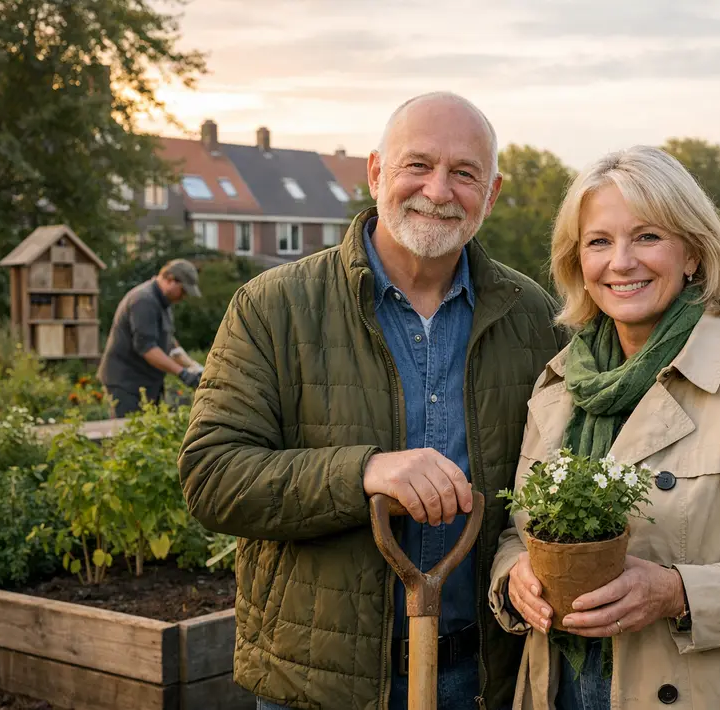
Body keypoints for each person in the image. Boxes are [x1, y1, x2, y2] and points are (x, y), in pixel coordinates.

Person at [178, 92, 567, 710]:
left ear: (490, 195)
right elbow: (212, 477)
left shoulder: (534, 318)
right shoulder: (273, 307)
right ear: (376, 172)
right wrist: (364, 471)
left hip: (487, 677)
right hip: (319, 684)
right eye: (418, 165)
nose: (438, 190)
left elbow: (562, 479)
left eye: (464, 174)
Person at [488, 146, 720, 709]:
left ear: (692, 253)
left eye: (646, 237)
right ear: (577, 263)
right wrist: (515, 573)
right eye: (599, 241)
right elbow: (520, 531)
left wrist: (677, 593)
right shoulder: (559, 385)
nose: (621, 261)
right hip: (561, 688)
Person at [97, 258, 204, 417]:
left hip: (145, 382)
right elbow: (147, 348)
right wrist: (182, 373)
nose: (184, 296)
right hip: (127, 384)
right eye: (183, 290)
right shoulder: (144, 300)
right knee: (128, 435)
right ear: (170, 280)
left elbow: (168, 342)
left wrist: (194, 367)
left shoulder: (163, 303)